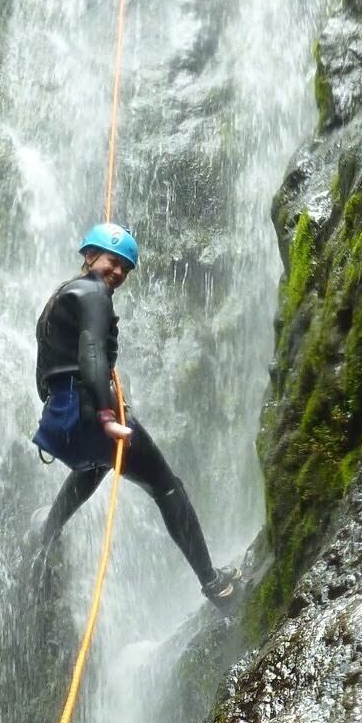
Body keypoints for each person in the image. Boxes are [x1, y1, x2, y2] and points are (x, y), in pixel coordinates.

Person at [31, 221, 238, 605]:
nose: (118, 272)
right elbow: (92, 352)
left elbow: (46, 367)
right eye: (112, 261)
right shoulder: (94, 293)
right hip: (93, 411)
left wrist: (61, 408)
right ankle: (214, 584)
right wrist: (107, 416)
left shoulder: (60, 297)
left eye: (125, 267)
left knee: (94, 466)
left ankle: (45, 536)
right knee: (167, 486)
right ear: (89, 255)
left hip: (63, 419)